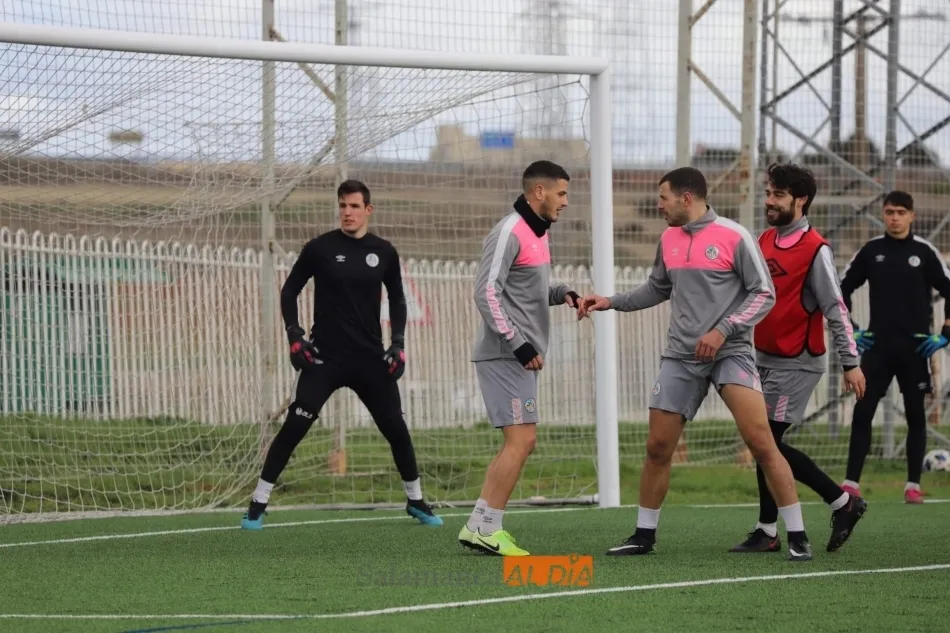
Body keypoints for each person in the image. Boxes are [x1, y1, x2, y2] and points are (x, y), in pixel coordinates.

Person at [579, 166, 814, 561]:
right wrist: (610, 301)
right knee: (657, 447)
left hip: (731, 353)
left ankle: (798, 535)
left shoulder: (734, 236)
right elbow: (657, 288)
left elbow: (764, 294)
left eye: (663, 198)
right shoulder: (669, 238)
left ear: (687, 198)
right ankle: (643, 535)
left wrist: (723, 329)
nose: (659, 206)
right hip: (681, 357)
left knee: (762, 443)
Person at [241, 179, 442, 529]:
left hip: (369, 360)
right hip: (324, 359)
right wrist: (295, 336)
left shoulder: (384, 251)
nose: (347, 212)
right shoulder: (319, 248)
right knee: (295, 426)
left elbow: (397, 299)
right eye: (342, 206)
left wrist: (398, 344)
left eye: (354, 206)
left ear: (368, 209)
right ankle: (257, 503)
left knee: (397, 429)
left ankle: (416, 501)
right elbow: (289, 292)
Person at [730, 163, 868, 556]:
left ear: (801, 199)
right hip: (763, 357)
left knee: (766, 441)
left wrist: (851, 362)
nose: (769, 201)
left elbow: (836, 309)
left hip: (799, 362)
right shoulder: (764, 240)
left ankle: (842, 502)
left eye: (777, 195)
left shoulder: (816, 250)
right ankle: (768, 530)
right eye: (768, 194)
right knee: (763, 440)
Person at [458, 160, 581, 557]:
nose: (566, 202)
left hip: (518, 356)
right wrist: (518, 343)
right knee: (522, 440)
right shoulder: (510, 230)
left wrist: (564, 293)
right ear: (539, 192)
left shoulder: (538, 233)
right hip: (505, 355)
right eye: (561, 193)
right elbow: (486, 293)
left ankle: (481, 525)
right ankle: (485, 527)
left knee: (522, 441)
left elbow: (528, 290)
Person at [839, 190, 950, 504]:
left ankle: (912, 485)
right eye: (889, 212)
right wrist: (852, 331)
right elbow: (840, 291)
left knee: (916, 416)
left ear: (912, 215)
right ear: (883, 215)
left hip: (916, 351)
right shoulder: (871, 251)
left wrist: (945, 333)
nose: (895, 217)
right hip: (877, 350)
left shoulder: (925, 253)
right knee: (863, 412)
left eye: (901, 212)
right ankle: (850, 484)